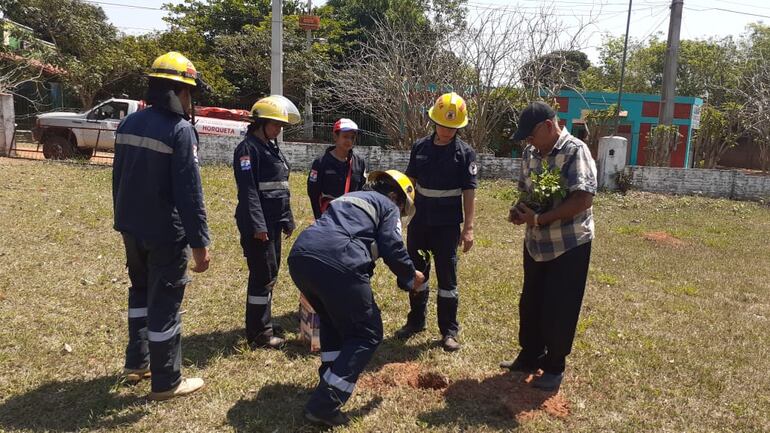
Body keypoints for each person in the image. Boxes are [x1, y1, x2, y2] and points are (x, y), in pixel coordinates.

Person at [288, 170, 425, 427]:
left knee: (332, 322)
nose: (401, 214)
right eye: (402, 209)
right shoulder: (387, 205)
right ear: (395, 195)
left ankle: (328, 379)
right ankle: (325, 404)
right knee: (367, 333)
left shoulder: (351, 197)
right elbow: (392, 245)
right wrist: (411, 276)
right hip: (339, 262)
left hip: (301, 257)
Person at [113, 51, 211, 400]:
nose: (190, 101)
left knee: (140, 293)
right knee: (165, 302)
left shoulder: (128, 124)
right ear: (179, 92)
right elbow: (189, 193)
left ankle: (136, 362)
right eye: (190, 93)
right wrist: (200, 245)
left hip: (130, 228)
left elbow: (119, 178)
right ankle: (167, 380)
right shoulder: (180, 131)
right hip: (165, 235)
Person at [502, 101, 597, 392]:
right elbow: (525, 191)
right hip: (536, 244)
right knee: (530, 302)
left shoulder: (575, 151)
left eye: (531, 136)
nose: (529, 143)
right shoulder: (531, 152)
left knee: (560, 307)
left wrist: (540, 218)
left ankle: (555, 366)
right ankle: (530, 355)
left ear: (548, 126)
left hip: (569, 244)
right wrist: (519, 212)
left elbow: (583, 199)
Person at [394, 92, 477, 352]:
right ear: (434, 121)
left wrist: (469, 228)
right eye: (443, 124)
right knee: (418, 273)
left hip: (447, 226)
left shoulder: (465, 154)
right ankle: (416, 321)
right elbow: (410, 184)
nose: (447, 131)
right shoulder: (420, 147)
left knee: (447, 278)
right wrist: (398, 213)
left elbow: (469, 191)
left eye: (453, 127)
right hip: (420, 223)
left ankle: (449, 331)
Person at [233, 95, 301, 349]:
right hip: (258, 225)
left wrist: (287, 218)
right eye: (275, 124)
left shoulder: (271, 147)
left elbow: (281, 188)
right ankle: (259, 335)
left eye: (281, 126)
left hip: (274, 221)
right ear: (260, 123)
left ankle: (265, 323)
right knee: (262, 275)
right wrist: (258, 226)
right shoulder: (247, 149)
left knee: (270, 273)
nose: (279, 130)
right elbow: (249, 191)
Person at [307, 118, 367, 219]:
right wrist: (319, 217)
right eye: (345, 136)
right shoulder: (321, 162)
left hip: (352, 216)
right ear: (335, 136)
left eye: (352, 137)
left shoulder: (359, 162)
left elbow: (363, 190)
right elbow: (313, 192)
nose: (349, 141)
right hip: (329, 216)